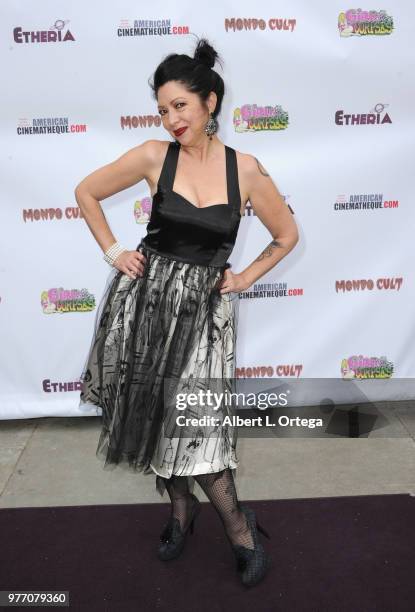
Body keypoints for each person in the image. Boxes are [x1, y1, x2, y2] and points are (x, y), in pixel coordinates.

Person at [75, 37, 299, 588]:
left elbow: (286, 233)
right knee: (155, 423)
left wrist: (243, 277)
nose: (171, 118)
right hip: (147, 306)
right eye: (162, 109)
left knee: (195, 427)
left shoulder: (245, 169)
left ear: (210, 103)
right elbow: (86, 192)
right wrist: (114, 251)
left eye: (180, 105)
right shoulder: (155, 156)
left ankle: (240, 529)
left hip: (204, 317)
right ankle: (180, 512)